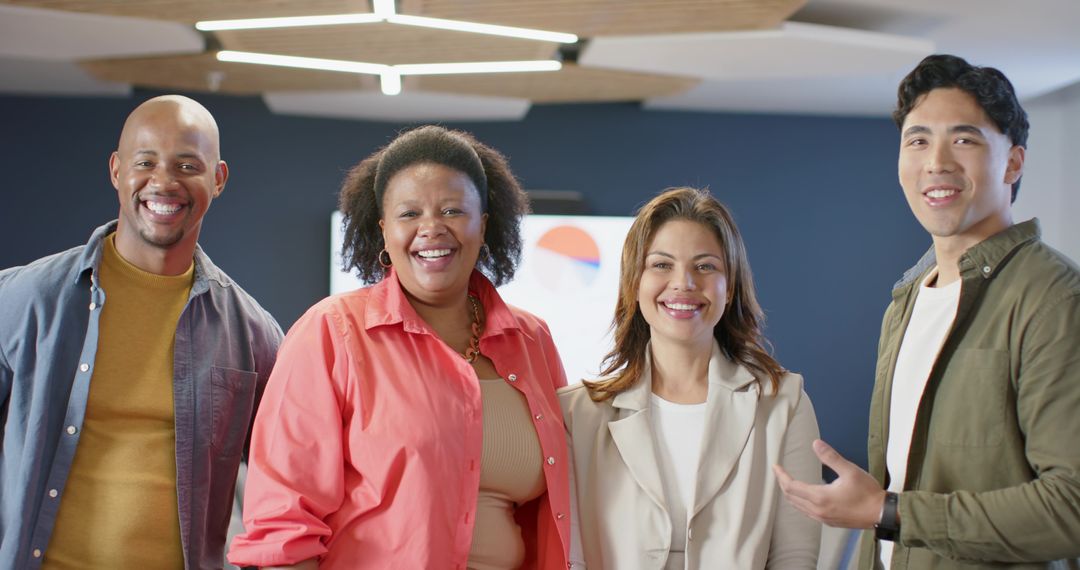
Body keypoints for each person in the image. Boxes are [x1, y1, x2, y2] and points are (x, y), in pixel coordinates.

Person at [774, 54, 1080, 569]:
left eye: (964, 139)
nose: (936, 161)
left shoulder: (1053, 298)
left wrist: (886, 511)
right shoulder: (909, 298)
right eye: (917, 140)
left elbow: (1071, 507)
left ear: (1013, 162)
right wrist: (880, 513)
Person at [228, 125, 572, 569]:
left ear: (482, 225)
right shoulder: (332, 332)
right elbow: (284, 521)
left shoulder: (533, 340)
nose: (431, 228)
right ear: (384, 231)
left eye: (452, 210)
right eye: (409, 214)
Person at [0, 95, 283, 569]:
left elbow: (290, 487)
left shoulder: (253, 333)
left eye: (187, 164)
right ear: (116, 170)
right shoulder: (23, 298)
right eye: (145, 161)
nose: (164, 182)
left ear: (218, 179)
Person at [560, 187, 822, 569]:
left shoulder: (783, 402)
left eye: (705, 266)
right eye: (662, 265)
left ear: (729, 287)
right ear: (635, 283)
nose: (683, 283)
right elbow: (572, 558)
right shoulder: (577, 413)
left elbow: (794, 559)